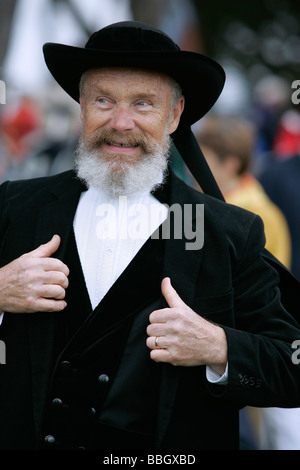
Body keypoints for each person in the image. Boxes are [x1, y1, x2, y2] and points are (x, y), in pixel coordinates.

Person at [0, 21, 300, 452]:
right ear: (82, 107)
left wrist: (218, 346)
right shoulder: (14, 207)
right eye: (104, 100)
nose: (121, 123)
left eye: (144, 104)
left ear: (175, 115)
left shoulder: (229, 232)